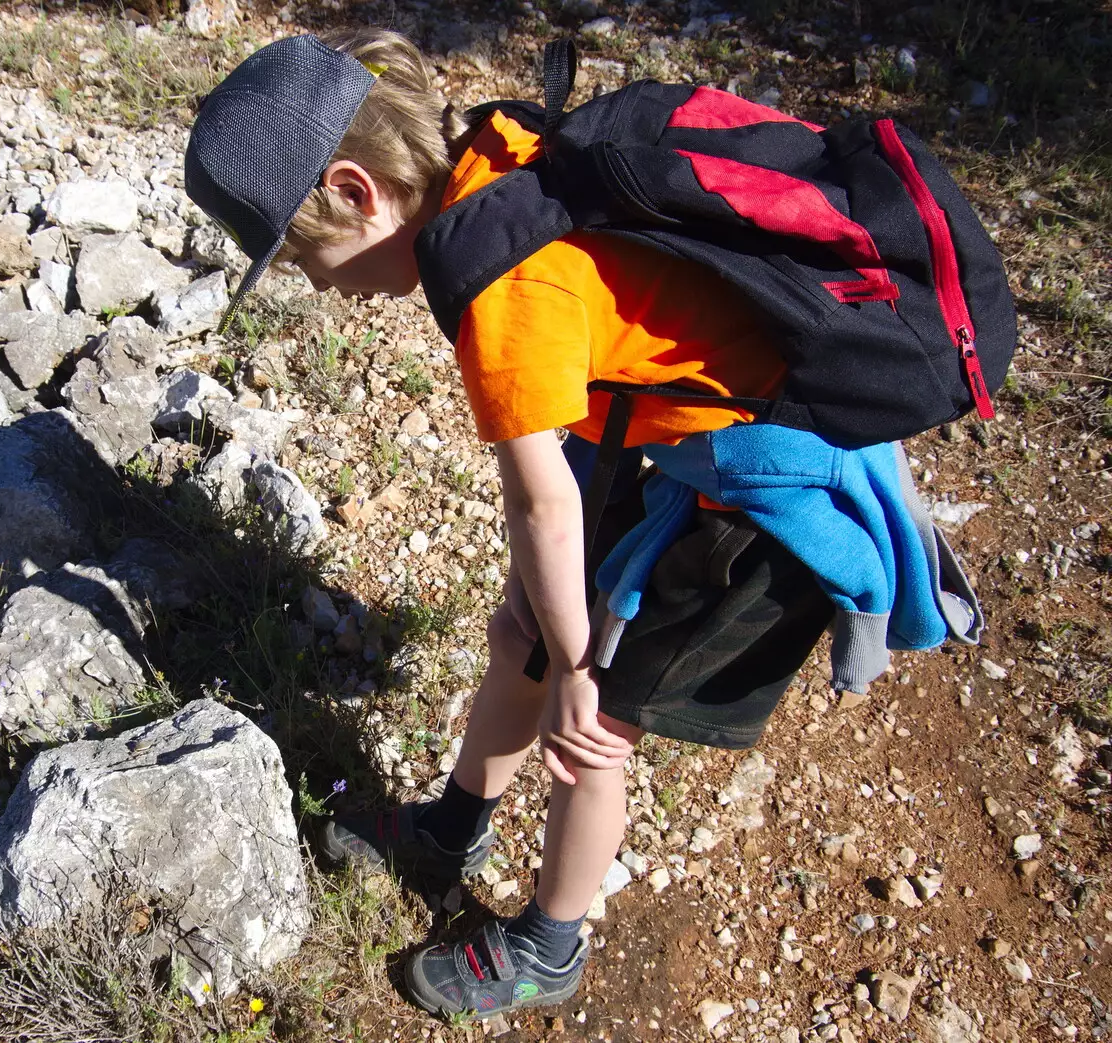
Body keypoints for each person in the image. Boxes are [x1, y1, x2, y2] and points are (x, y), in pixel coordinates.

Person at [183, 28, 978, 1020]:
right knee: (521, 630)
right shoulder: (493, 159)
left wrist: (574, 667)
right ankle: (455, 823)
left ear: (355, 190)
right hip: (671, 434)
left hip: (764, 496)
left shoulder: (498, 293)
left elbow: (540, 498)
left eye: (302, 255)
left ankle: (548, 943)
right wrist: (547, 635)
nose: (312, 281)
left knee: (591, 724)